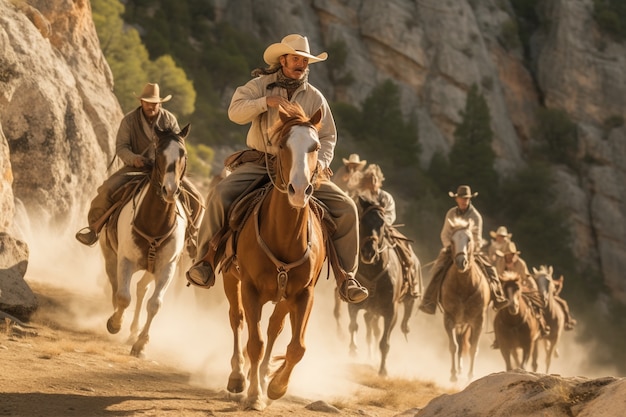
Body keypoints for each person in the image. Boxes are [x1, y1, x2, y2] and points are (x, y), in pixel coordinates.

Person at [186, 34, 368, 303]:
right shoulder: (260, 85)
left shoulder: (316, 98)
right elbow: (234, 112)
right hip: (262, 163)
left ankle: (346, 276)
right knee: (221, 194)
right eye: (296, 59)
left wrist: (322, 163)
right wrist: (264, 103)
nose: (301, 65)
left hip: (303, 168)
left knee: (346, 208)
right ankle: (206, 261)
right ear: (283, 60)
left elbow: (328, 136)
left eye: (305, 61)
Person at [75, 83, 204, 254]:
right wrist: (134, 159)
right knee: (106, 190)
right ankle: (94, 228)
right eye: (147, 102)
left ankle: (191, 237)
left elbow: (177, 145)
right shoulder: (129, 120)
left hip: (165, 170)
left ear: (160, 104)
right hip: (136, 168)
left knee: (197, 198)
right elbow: (121, 147)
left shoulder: (169, 119)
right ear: (141, 102)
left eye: (154, 103)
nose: (151, 106)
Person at [418, 185, 507, 314]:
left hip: (471, 251)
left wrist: (469, 249)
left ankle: (498, 296)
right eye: (461, 198)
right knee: (437, 269)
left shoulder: (476, 216)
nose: (464, 201)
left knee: (491, 270)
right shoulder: (451, 213)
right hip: (452, 249)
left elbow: (477, 238)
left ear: (470, 199)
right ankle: (428, 301)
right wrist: (451, 247)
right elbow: (444, 234)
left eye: (466, 198)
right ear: (457, 199)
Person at [353, 164, 421, 297]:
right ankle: (345, 279)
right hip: (365, 228)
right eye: (370, 179)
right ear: (366, 181)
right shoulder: (362, 197)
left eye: (375, 179)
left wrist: (382, 224)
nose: (372, 182)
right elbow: (357, 212)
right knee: (348, 247)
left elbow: (391, 214)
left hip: (384, 228)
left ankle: (410, 279)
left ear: (379, 181)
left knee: (405, 248)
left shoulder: (386, 197)